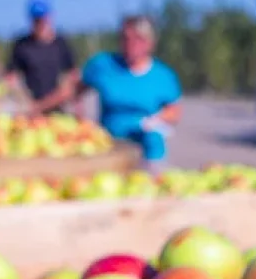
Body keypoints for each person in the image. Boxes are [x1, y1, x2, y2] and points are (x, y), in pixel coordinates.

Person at [68, 14, 182, 167]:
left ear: (150, 43)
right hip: (110, 146)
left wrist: (154, 121)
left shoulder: (163, 75)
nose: (131, 44)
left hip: (148, 151)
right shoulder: (104, 65)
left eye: (138, 39)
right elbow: (75, 90)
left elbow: (174, 111)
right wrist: (80, 119)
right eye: (126, 38)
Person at [4, 0, 77, 114]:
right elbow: (11, 76)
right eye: (36, 20)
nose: (40, 23)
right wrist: (22, 98)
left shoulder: (61, 44)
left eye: (43, 19)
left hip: (58, 107)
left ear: (49, 17)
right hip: (30, 107)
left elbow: (72, 76)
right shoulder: (22, 45)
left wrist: (49, 102)